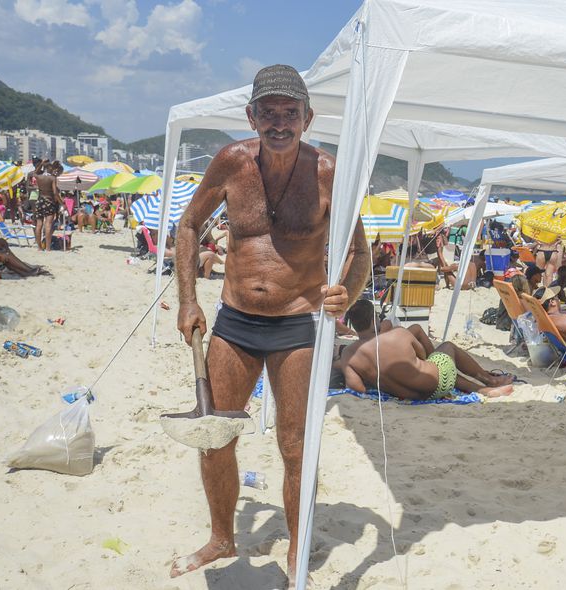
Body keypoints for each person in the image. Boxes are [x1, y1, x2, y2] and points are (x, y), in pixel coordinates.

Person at [172, 64, 371, 585]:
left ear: (308, 117)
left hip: (296, 325)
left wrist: (345, 293)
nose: (279, 123)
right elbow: (188, 225)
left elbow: (360, 251)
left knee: (295, 446)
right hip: (234, 321)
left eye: (289, 112)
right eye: (268, 112)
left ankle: (298, 544)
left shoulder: (327, 171)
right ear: (251, 116)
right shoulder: (231, 162)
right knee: (214, 434)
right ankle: (222, 536)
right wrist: (188, 301)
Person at [338, 327, 514, 400]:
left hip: (412, 397)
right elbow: (422, 354)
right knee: (448, 348)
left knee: (440, 368)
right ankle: (489, 381)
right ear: (374, 321)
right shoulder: (398, 333)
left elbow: (357, 389)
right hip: (435, 387)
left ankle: (484, 390)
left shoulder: (349, 356)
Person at [342, 298, 434, 356]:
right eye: (376, 315)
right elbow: (422, 353)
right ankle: (434, 356)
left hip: (372, 342)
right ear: (373, 320)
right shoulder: (387, 340)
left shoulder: (351, 353)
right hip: (388, 348)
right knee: (416, 328)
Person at [34, 161, 63, 251]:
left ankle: (39, 247)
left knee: (39, 224)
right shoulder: (52, 178)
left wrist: (41, 163)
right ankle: (48, 248)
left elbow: (35, 172)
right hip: (49, 201)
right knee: (48, 224)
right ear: (50, 168)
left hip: (39, 201)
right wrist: (62, 203)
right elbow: (55, 192)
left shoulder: (39, 176)